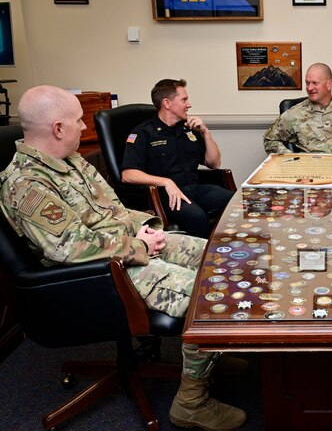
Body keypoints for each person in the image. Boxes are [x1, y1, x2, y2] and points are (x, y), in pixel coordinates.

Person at [0, 85, 246, 431]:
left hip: (122, 249)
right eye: (76, 121)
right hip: (94, 275)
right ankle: (191, 402)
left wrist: (147, 229)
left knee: (220, 256)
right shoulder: (26, 184)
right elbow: (69, 248)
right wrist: (138, 247)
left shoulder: (69, 161)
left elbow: (113, 209)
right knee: (208, 295)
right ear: (57, 128)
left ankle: (210, 351)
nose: (84, 128)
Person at [121, 79, 233, 238]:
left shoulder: (189, 129)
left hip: (194, 188)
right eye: (184, 100)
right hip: (166, 196)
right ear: (167, 103)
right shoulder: (143, 133)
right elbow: (128, 175)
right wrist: (166, 182)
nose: (189, 104)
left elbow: (214, 163)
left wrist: (206, 133)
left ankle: (232, 252)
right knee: (197, 217)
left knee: (235, 202)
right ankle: (201, 260)